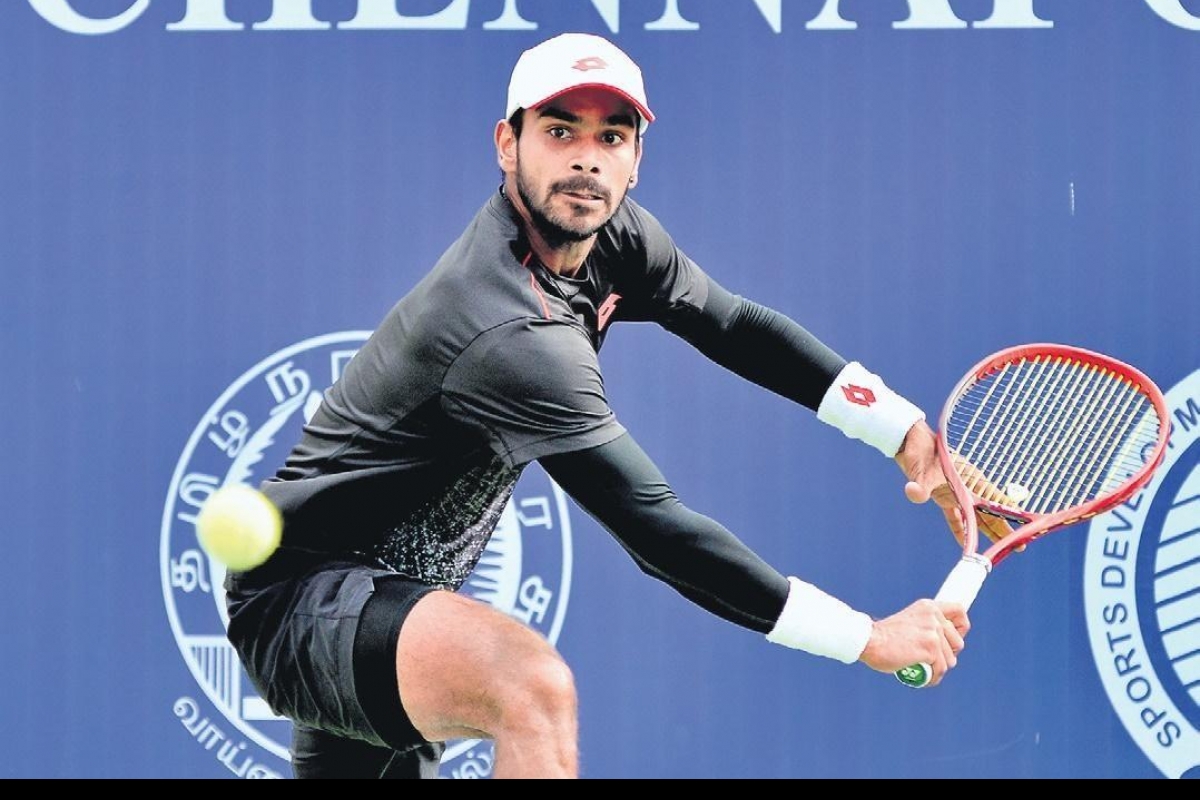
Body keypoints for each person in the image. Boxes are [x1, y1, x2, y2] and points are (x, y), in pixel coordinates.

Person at [223, 32, 1013, 779]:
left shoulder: (615, 236)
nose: (586, 161)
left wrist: (905, 433)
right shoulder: (507, 328)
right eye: (560, 131)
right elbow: (659, 530)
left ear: (636, 159)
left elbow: (733, 325)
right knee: (532, 688)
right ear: (508, 143)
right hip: (305, 601)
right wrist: (866, 637)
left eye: (612, 138)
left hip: (393, 609)